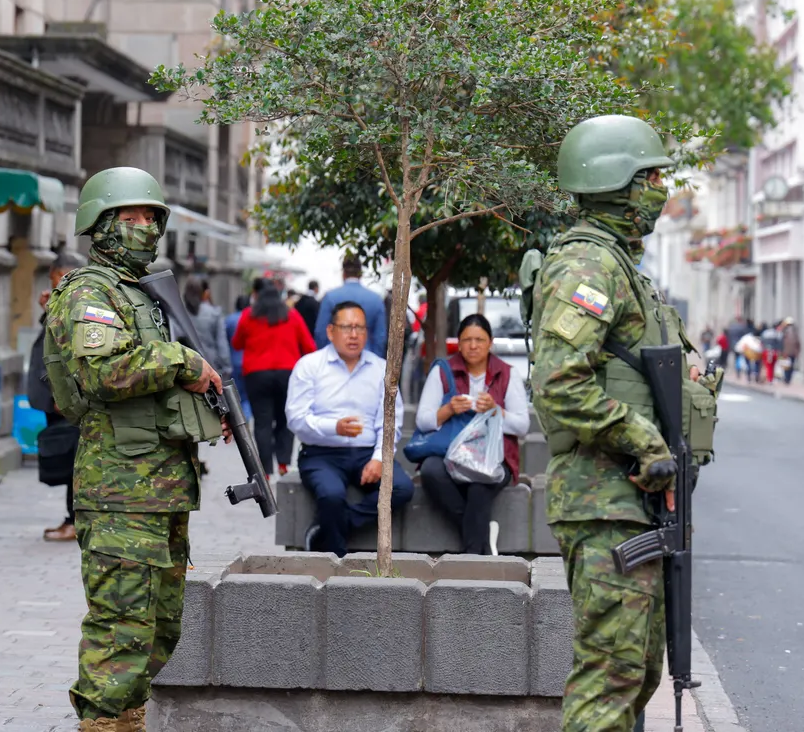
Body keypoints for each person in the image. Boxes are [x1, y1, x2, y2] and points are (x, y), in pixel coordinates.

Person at [528, 114, 719, 732]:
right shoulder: (587, 265)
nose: (662, 189)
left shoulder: (619, 265)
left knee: (637, 671)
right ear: (619, 181)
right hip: (604, 499)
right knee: (609, 676)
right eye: (652, 176)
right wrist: (643, 439)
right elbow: (560, 382)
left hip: (631, 502)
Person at [42, 166, 227, 732]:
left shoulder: (141, 295)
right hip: (119, 491)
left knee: (158, 629)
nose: (145, 227)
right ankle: (101, 724)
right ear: (100, 225)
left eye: (152, 217)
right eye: (132, 217)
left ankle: (127, 721)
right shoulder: (91, 292)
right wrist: (183, 361)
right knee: (119, 628)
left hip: (161, 489)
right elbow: (100, 371)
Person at [286, 300, 413, 557]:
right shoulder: (310, 366)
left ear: (367, 332)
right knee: (331, 495)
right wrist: (334, 427)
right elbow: (296, 419)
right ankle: (335, 559)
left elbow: (391, 421)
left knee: (401, 488)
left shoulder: (381, 369)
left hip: (367, 452)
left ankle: (330, 529)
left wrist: (378, 458)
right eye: (347, 327)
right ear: (331, 331)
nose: (354, 335)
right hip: (321, 454)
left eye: (360, 328)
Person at [414, 313, 531, 555]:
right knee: (430, 471)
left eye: (479, 339)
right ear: (458, 343)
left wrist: (496, 411)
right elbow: (423, 420)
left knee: (479, 485)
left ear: (490, 343)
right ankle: (481, 538)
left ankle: (472, 555)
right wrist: (448, 410)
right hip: (451, 453)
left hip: (495, 456)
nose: (473, 346)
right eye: (467, 340)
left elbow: (522, 426)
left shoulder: (506, 374)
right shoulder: (443, 371)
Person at [232, 281, 317, 477]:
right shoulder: (292, 315)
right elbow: (309, 346)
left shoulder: (248, 315)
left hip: (256, 375)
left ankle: (266, 470)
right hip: (287, 373)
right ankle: (284, 463)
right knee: (284, 419)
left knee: (262, 423)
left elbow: (237, 343)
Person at [37, 248, 88, 542]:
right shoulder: (64, 301)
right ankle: (72, 519)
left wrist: (65, 393)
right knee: (70, 459)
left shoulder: (79, 301)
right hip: (64, 395)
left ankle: (75, 521)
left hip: (72, 397)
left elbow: (69, 351)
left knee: (74, 460)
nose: (53, 285)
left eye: (55, 278)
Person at [313, 256, 388, 357]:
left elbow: (320, 332)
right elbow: (380, 336)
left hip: (334, 358)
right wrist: (375, 361)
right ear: (360, 274)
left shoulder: (330, 297)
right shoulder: (376, 299)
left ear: (343, 273)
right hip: (366, 358)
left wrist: (325, 358)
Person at [185, 276, 232, 377]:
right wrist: (226, 367)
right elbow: (221, 344)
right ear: (206, 293)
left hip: (187, 366)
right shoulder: (214, 313)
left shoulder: (180, 313)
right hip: (211, 365)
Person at [224, 295, 253, 411]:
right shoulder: (251, 319)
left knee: (236, 394)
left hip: (233, 361)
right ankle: (247, 416)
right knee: (248, 395)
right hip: (248, 363)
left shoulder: (229, 320)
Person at [760, 319, 783, 383]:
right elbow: (780, 343)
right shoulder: (777, 334)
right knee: (771, 366)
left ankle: (768, 378)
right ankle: (770, 379)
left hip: (766, 351)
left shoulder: (765, 333)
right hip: (773, 351)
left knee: (767, 365)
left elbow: (762, 342)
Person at [780, 317, 801, 384]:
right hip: (793, 352)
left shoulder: (784, 331)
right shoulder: (795, 331)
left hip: (786, 352)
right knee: (791, 366)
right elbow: (798, 343)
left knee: (786, 366)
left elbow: (781, 342)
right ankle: (788, 379)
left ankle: (786, 378)